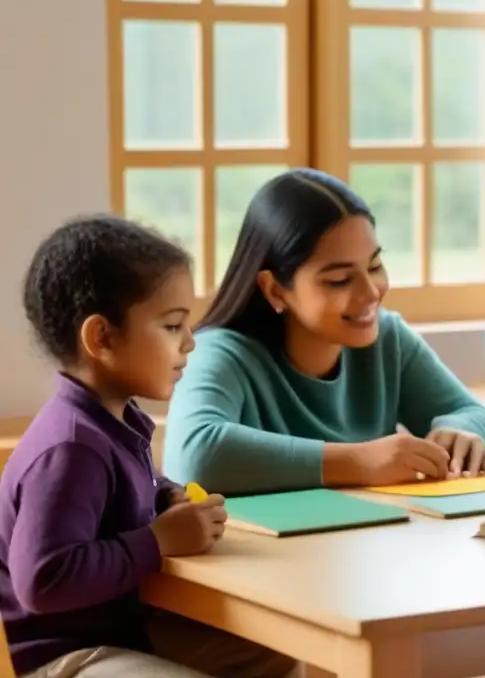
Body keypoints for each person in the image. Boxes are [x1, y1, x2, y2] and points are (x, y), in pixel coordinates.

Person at [3, 216, 296, 678]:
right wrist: (157, 541)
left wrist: (164, 496)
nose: (190, 343)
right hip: (69, 659)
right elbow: (43, 579)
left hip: (125, 637)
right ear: (102, 338)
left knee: (272, 656)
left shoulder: (117, 422)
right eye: (173, 325)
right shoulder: (71, 448)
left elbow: (124, 496)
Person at [163, 168, 485, 495]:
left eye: (374, 266)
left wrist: (462, 432)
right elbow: (195, 456)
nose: (370, 292)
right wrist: (359, 461)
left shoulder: (388, 338)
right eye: (339, 280)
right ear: (275, 289)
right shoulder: (220, 352)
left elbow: (473, 414)